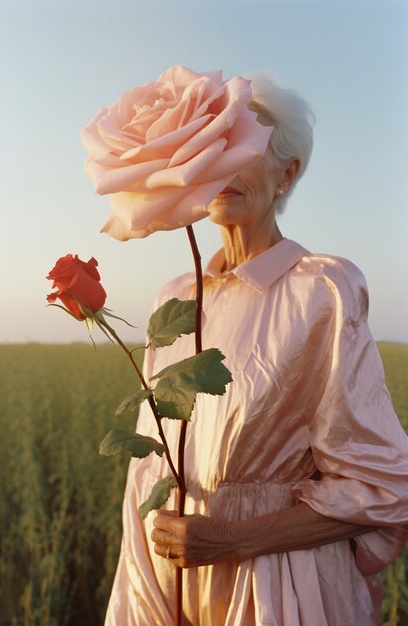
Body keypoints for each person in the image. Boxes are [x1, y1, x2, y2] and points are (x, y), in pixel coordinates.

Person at [104, 71, 408, 626]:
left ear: (286, 174)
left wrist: (229, 538)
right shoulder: (173, 300)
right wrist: (144, 603)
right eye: (211, 147)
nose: (219, 166)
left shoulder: (322, 291)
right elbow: (146, 475)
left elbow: (382, 486)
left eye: (242, 148)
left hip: (282, 593)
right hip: (174, 587)